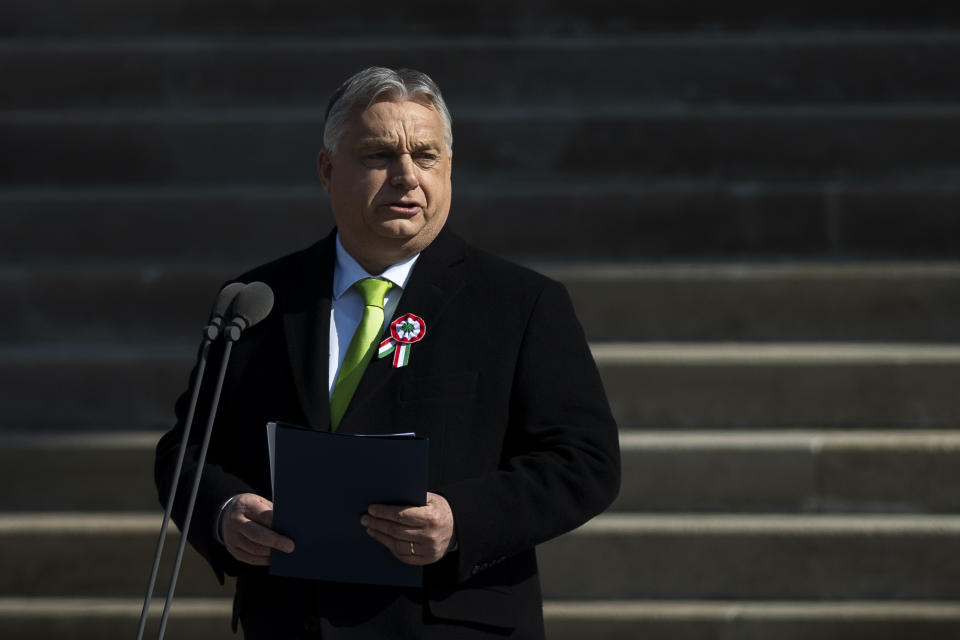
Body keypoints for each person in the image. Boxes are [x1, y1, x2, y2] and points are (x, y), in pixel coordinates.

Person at [155, 66, 620, 639]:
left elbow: (584, 461)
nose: (406, 177)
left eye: (425, 156)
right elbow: (188, 449)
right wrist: (225, 515)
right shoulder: (260, 301)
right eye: (378, 155)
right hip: (293, 621)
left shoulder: (521, 303)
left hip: (449, 621)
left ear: (449, 170)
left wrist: (460, 522)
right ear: (327, 170)